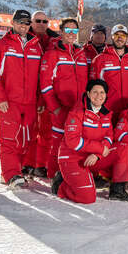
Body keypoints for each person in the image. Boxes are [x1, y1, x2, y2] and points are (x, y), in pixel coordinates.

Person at [52, 79, 128, 203]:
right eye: (95, 92)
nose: (99, 96)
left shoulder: (106, 114)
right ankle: (61, 185)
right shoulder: (77, 112)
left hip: (92, 157)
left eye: (102, 92)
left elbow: (109, 137)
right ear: (88, 93)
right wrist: (100, 149)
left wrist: (97, 155)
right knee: (88, 198)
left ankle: (118, 190)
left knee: (124, 147)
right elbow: (73, 141)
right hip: (73, 158)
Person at [0, 10, 42, 187]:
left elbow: (42, 77)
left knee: (27, 139)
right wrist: (0, 98)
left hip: (30, 103)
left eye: (27, 23)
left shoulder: (36, 45)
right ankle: (10, 174)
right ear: (13, 23)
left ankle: (19, 169)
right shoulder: (3, 44)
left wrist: (40, 101)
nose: (23, 26)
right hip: (10, 101)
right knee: (9, 139)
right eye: (20, 22)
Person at [40, 18, 88, 178]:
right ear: (61, 32)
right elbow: (45, 84)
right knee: (58, 142)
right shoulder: (52, 54)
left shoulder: (81, 54)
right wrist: (55, 108)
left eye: (74, 31)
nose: (71, 34)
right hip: (61, 108)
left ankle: (71, 173)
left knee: (75, 143)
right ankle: (53, 175)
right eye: (68, 30)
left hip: (78, 109)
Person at [22, 10, 59, 178]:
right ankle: (26, 163)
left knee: (46, 131)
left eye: (45, 21)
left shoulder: (53, 41)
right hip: (27, 90)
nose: (42, 24)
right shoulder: (23, 37)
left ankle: (40, 164)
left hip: (46, 91)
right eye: (38, 21)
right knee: (28, 129)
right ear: (31, 22)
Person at [90, 24, 128, 124]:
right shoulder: (100, 59)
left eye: (123, 35)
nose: (120, 38)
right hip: (108, 109)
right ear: (111, 36)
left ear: (126, 38)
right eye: (117, 35)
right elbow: (92, 88)